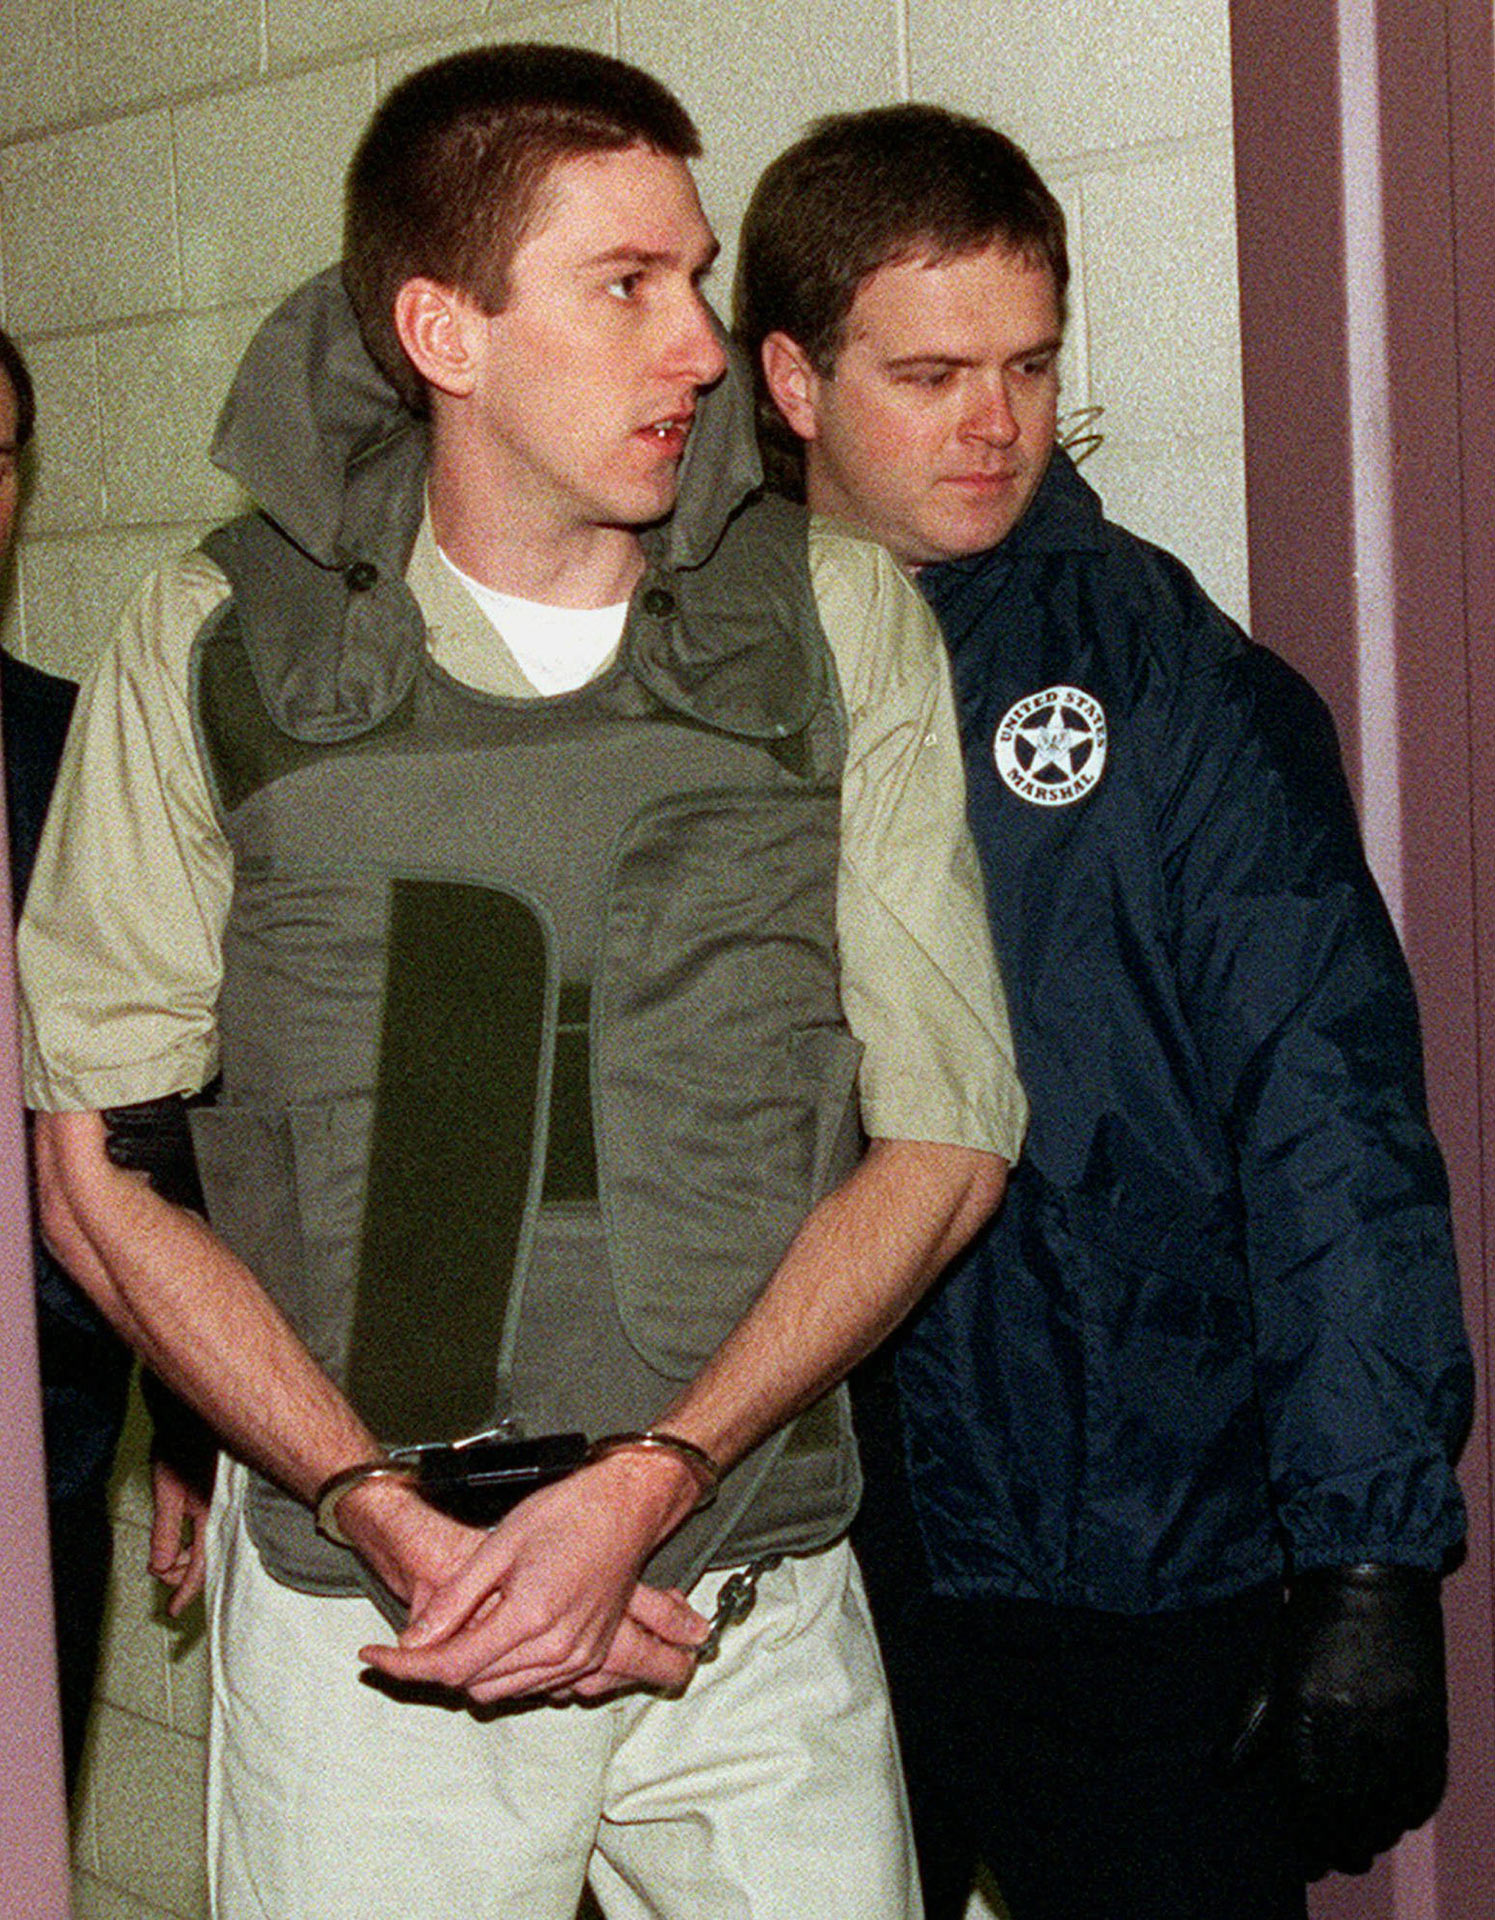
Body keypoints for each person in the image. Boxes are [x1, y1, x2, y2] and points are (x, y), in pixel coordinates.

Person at [18, 48, 1024, 1920]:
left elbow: (952, 1136)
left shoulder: (832, 616)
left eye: (700, 277)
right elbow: (98, 1173)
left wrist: (648, 1483)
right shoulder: (213, 641)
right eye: (627, 283)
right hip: (373, 1629)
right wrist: (383, 1519)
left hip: (748, 1602)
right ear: (443, 330)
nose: (706, 346)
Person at [737, 104, 1473, 1920]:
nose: (997, 422)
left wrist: (1368, 1561)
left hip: (1132, 1544)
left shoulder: (1173, 691)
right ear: (791, 380)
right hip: (800, 1535)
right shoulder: (683, 666)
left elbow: (1332, 1122)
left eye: (1030, 364)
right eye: (930, 373)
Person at [1, 325, 216, 1794]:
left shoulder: (68, 750)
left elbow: (162, 1105)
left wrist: (191, 1410)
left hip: (38, 1448)